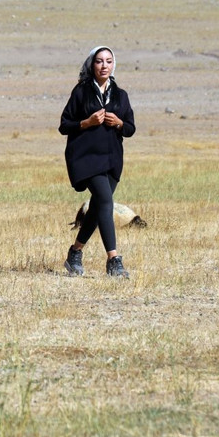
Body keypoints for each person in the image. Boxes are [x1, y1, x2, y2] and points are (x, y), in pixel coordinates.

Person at [58, 46, 136, 278]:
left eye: (108, 61)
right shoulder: (81, 92)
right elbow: (64, 125)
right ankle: (114, 260)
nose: (104, 65)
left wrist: (120, 123)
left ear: (114, 65)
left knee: (98, 206)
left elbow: (131, 129)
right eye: (99, 61)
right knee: (105, 200)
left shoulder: (121, 95)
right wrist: (87, 122)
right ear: (92, 65)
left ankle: (75, 253)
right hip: (85, 157)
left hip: (112, 159)